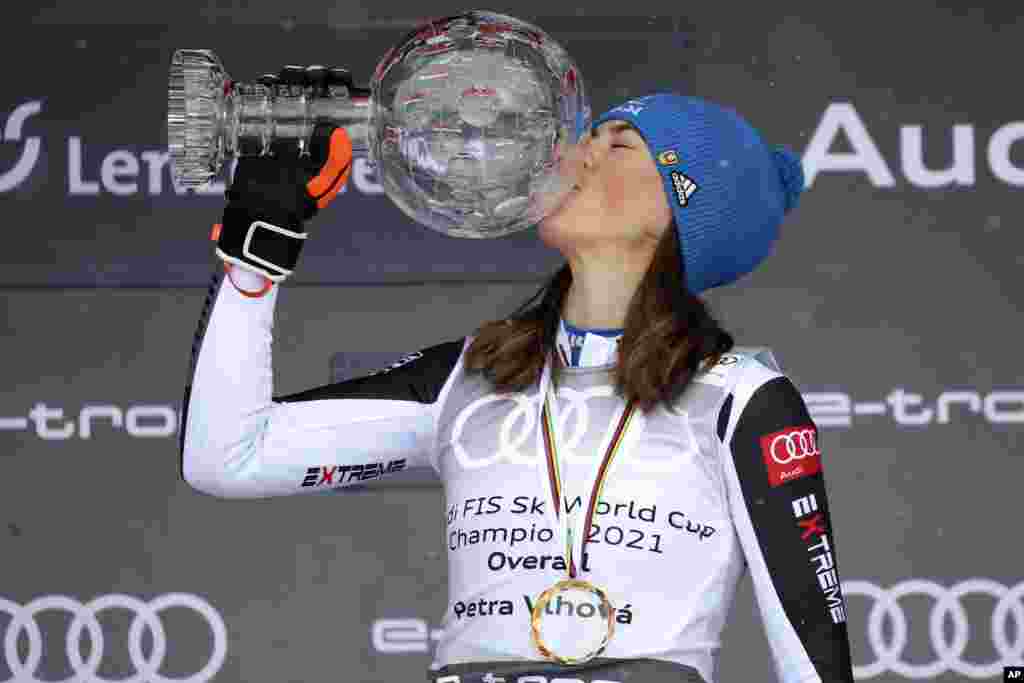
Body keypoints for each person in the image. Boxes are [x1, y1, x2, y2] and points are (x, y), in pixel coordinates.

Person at [180, 77, 855, 683]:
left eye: (616, 147)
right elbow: (229, 457)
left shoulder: (738, 398)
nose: (570, 157)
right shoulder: (473, 375)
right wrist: (257, 247)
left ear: (681, 209)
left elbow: (812, 655)